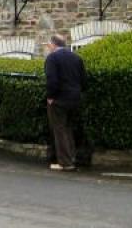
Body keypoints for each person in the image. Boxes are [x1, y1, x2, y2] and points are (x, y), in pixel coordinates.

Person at [44, 33, 87, 171]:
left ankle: (65, 162)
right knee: (68, 128)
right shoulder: (76, 57)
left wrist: (50, 97)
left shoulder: (52, 58)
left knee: (59, 129)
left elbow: (52, 80)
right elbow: (84, 80)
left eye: (49, 44)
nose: (48, 47)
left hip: (59, 99)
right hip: (75, 98)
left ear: (53, 44)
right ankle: (71, 157)